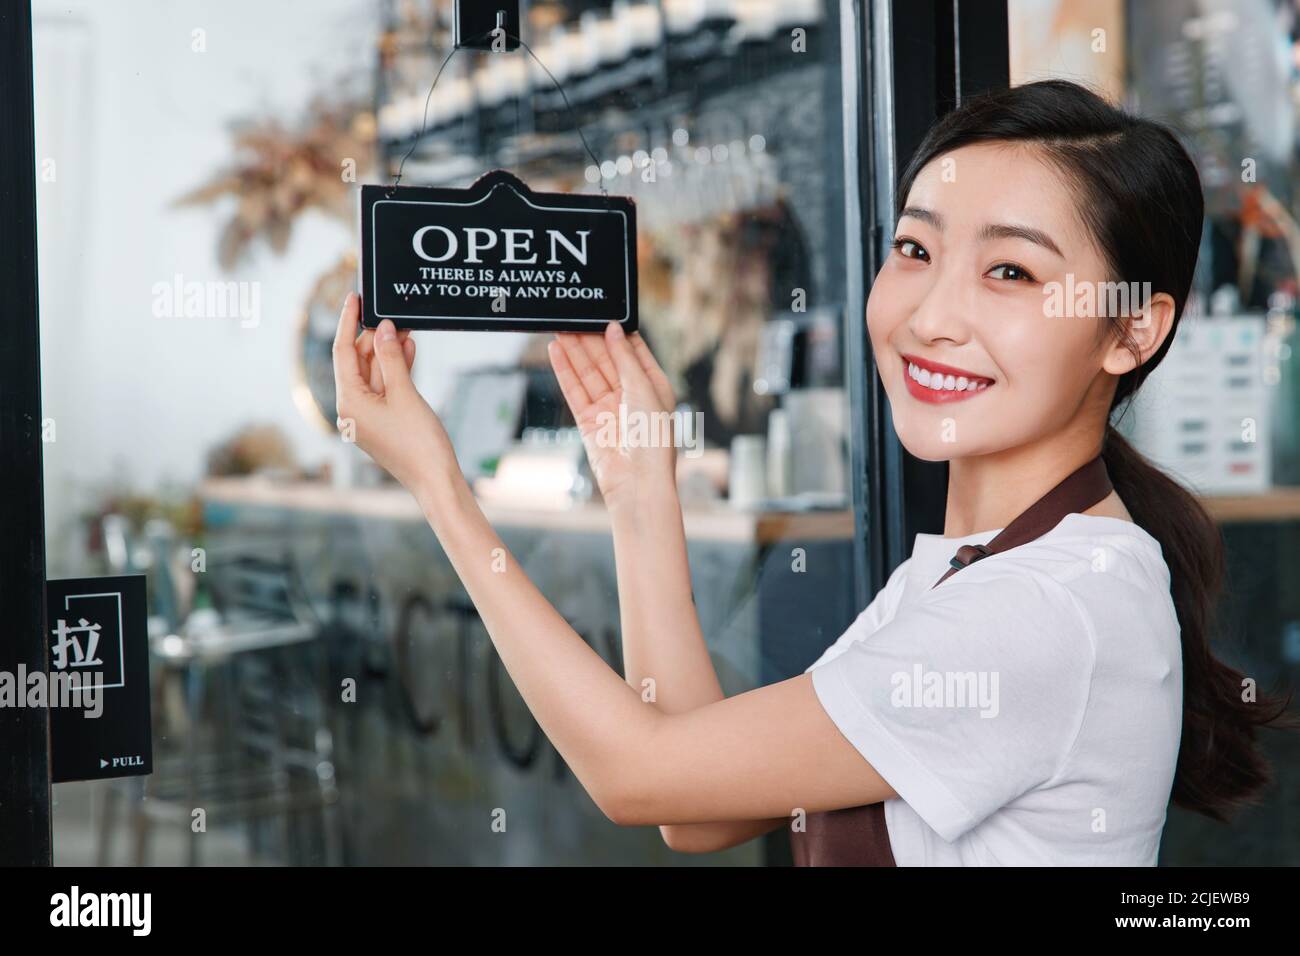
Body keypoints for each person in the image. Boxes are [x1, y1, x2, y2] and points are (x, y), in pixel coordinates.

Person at [332, 79, 1293, 865]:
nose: (929, 317)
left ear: (1131, 328)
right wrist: (638, 485)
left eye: (1011, 273)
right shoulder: (966, 571)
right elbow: (694, 808)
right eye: (915, 249)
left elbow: (637, 777)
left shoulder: (1041, 610)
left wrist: (439, 490)